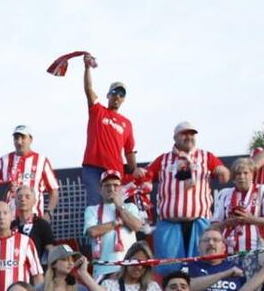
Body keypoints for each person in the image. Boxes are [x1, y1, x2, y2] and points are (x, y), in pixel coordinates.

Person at [145, 121, 230, 267]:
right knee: (169, 269)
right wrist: (140, 173)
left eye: (192, 134)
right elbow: (145, 177)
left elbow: (225, 176)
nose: (189, 137)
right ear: (175, 137)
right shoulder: (163, 159)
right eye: (184, 134)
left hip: (199, 223)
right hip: (169, 224)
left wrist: (223, 172)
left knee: (202, 266)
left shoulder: (206, 156)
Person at [78, 60, 137, 198]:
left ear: (123, 99)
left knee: (114, 207)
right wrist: (87, 68)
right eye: (115, 92)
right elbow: (88, 89)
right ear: (108, 95)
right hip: (93, 167)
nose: (117, 96)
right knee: (95, 204)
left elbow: (129, 152)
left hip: (115, 171)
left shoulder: (127, 123)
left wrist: (134, 171)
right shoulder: (98, 110)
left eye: (121, 94)